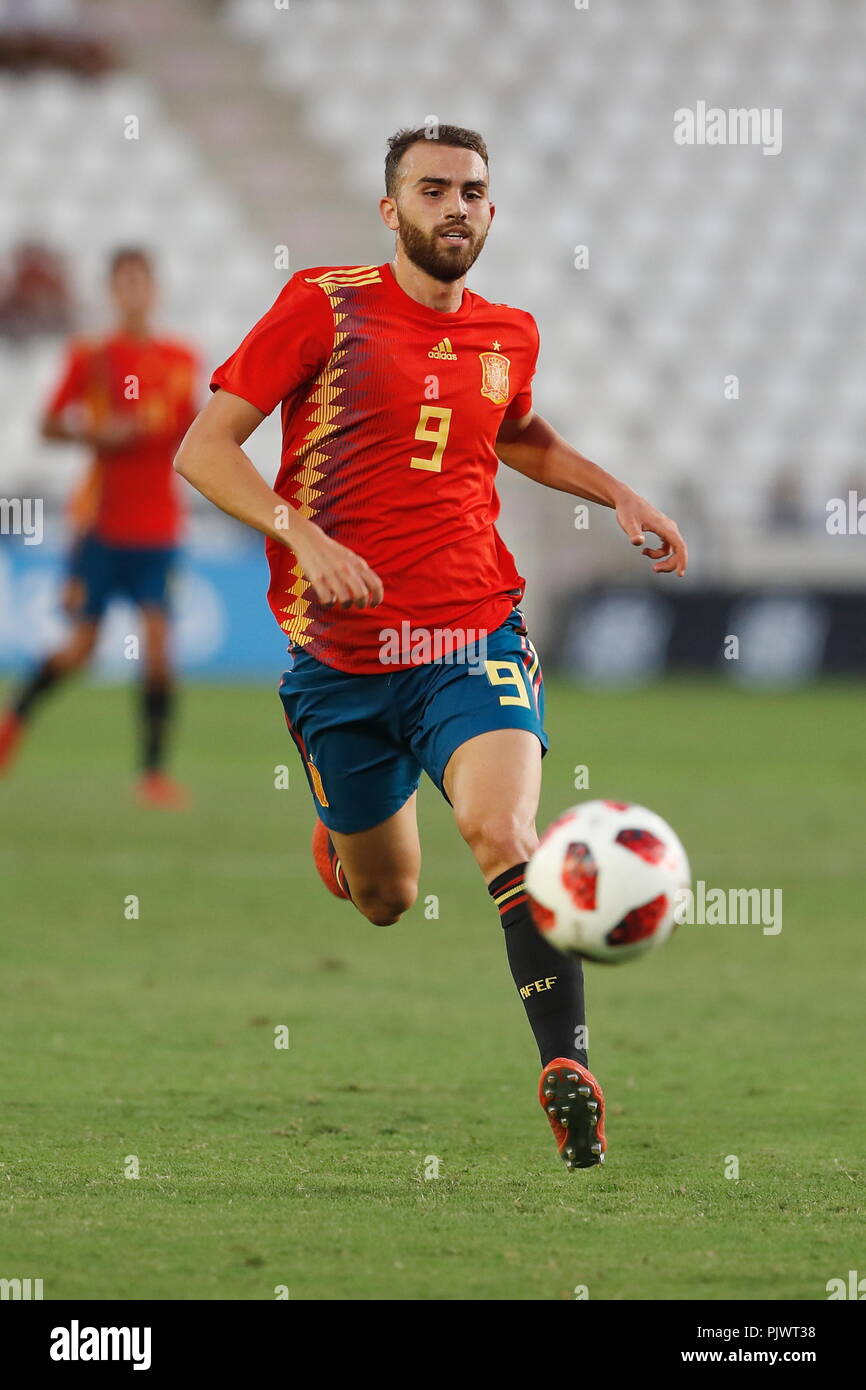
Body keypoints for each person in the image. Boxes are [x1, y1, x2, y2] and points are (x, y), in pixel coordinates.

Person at [173, 126, 687, 1168]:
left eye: (473, 192)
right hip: (340, 655)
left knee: (501, 830)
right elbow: (202, 448)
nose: (456, 207)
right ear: (390, 208)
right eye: (433, 189)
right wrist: (298, 533)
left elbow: (515, 433)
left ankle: (566, 1068)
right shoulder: (325, 306)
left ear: (490, 212)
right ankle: (340, 819)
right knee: (385, 898)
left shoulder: (509, 332)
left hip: (470, 629)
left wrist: (617, 491)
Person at [0, 248, 198, 807]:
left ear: (154, 289)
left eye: (142, 281)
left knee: (159, 650)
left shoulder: (180, 359)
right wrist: (98, 432)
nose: (135, 292)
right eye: (125, 283)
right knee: (80, 649)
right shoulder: (93, 357)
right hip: (102, 526)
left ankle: (153, 774)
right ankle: (12, 724)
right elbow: (47, 425)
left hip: (160, 528)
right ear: (113, 291)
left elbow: (194, 433)